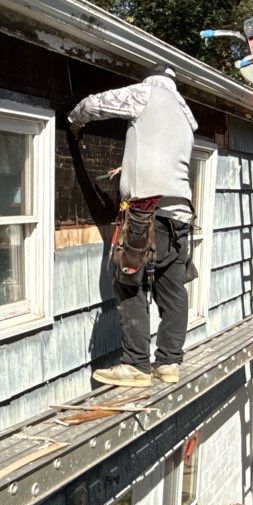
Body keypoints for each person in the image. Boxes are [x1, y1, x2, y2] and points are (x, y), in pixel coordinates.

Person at [68, 62, 195, 386]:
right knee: (172, 289)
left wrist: (74, 121)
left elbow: (95, 104)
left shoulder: (146, 94)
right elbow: (160, 154)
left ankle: (136, 365)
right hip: (180, 213)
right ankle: (168, 364)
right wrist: (127, 171)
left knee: (128, 284)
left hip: (146, 212)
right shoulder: (184, 114)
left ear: (149, 79)